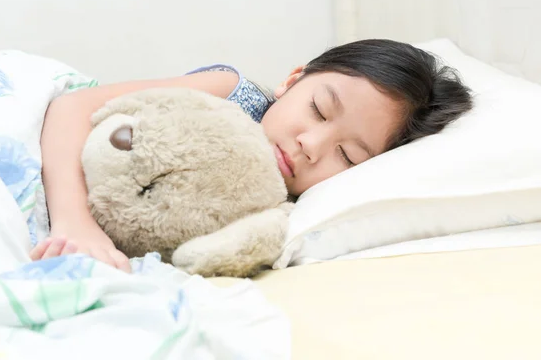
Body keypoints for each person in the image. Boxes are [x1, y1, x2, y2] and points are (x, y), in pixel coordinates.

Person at [30, 39, 473, 271]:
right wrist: (75, 223)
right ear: (293, 80)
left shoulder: (293, 210)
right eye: (318, 109)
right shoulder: (231, 93)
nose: (310, 146)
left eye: (348, 155)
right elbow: (71, 107)